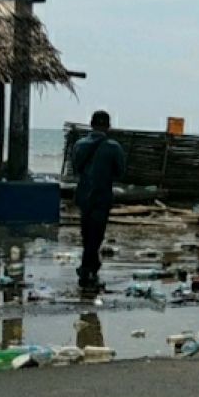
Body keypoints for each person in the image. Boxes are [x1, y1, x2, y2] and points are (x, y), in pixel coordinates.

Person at [71, 110, 126, 290]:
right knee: (96, 235)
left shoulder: (79, 144)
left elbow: (75, 168)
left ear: (91, 123)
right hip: (101, 196)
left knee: (86, 233)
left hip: (83, 195)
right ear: (108, 126)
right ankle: (87, 269)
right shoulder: (113, 147)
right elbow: (120, 172)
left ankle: (90, 268)